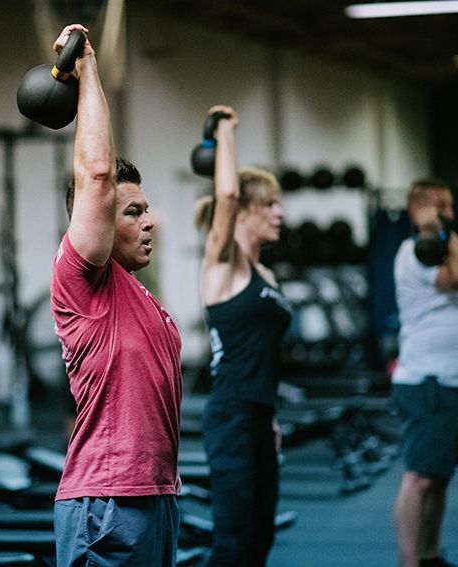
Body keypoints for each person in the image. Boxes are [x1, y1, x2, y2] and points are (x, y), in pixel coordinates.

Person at [48, 24, 182, 566]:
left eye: (147, 209)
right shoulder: (83, 284)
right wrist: (88, 72)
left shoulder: (142, 296)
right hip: (106, 502)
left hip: (156, 498)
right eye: (133, 212)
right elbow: (97, 174)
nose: (149, 222)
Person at [193, 106, 291, 566]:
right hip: (229, 415)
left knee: (261, 539)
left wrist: (270, 417)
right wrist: (226, 131)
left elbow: (267, 356)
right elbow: (226, 193)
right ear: (246, 213)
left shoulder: (265, 272)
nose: (280, 212)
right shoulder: (222, 264)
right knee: (232, 544)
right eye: (270, 204)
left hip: (258, 414)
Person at [391, 177, 458, 567]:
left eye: (449, 206)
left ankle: (429, 555)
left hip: (450, 378)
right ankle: (410, 562)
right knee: (420, 478)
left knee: (440, 476)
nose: (449, 213)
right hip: (427, 379)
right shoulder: (415, 252)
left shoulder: (440, 251)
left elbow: (455, 305)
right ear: (418, 211)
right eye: (440, 206)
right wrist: (442, 230)